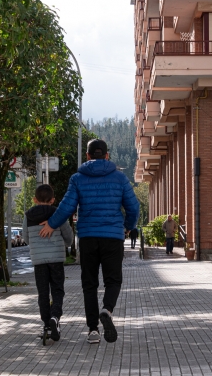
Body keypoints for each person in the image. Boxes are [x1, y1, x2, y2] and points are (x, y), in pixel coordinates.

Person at [39, 139, 139, 345]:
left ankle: (93, 330)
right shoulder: (120, 178)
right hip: (112, 237)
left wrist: (51, 223)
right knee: (114, 280)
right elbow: (134, 207)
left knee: (89, 284)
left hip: (88, 238)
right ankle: (107, 310)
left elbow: (67, 207)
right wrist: (128, 226)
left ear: (87, 156)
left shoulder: (77, 178)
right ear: (107, 155)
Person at [23, 184, 74, 342]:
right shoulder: (59, 214)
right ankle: (55, 316)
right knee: (57, 290)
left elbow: (26, 238)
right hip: (56, 260)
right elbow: (69, 238)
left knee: (43, 292)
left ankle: (46, 323)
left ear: (34, 199)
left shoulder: (28, 216)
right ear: (53, 200)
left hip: (39, 261)